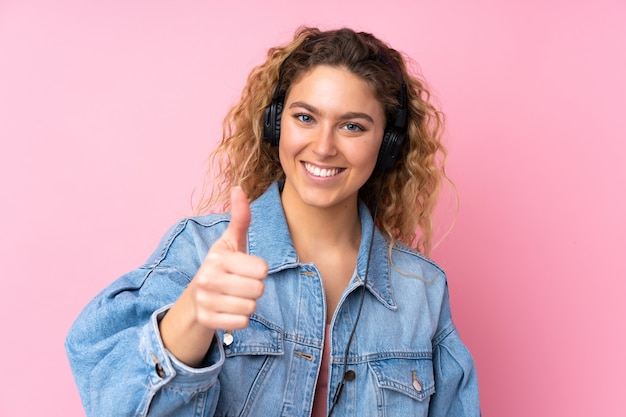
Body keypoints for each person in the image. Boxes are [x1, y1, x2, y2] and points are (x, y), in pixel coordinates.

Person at [66, 26, 480, 417]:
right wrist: (191, 313)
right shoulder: (199, 252)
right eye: (305, 118)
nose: (322, 146)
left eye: (352, 126)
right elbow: (111, 397)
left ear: (388, 145)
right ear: (274, 124)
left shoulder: (422, 290)